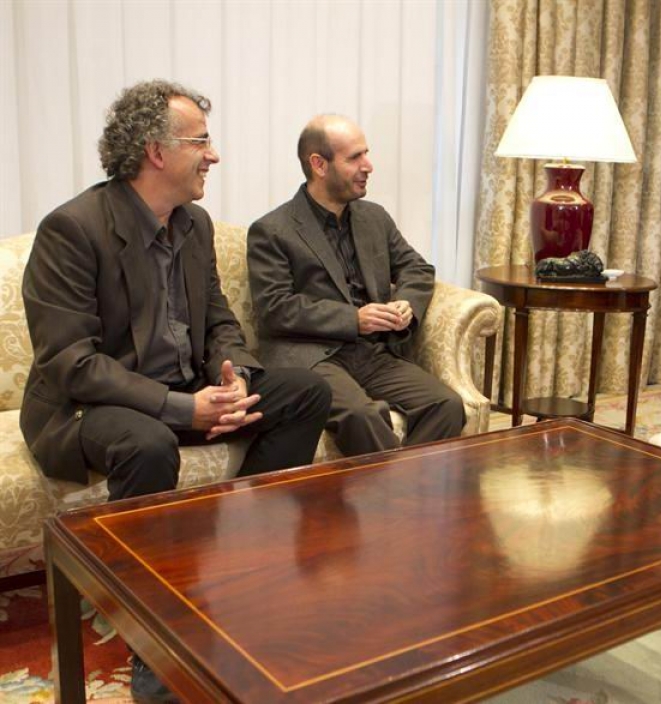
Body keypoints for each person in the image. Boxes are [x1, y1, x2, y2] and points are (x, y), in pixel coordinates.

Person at [20, 80, 332, 702]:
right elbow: (71, 364)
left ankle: (240, 563)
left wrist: (232, 376)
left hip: (183, 389)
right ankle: (153, 652)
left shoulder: (194, 224)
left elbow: (218, 320)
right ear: (156, 152)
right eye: (202, 142)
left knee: (304, 393)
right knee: (149, 443)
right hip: (91, 406)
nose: (213, 156)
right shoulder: (72, 229)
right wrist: (180, 408)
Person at [247, 114, 465, 457]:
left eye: (366, 153)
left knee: (446, 404)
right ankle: (402, 504)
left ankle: (402, 498)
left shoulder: (373, 217)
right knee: (362, 416)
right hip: (313, 358)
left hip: (373, 354)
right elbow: (276, 308)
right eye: (354, 158)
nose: (369, 166)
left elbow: (416, 267)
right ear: (319, 164)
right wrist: (354, 319)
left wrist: (406, 302)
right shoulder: (272, 230)